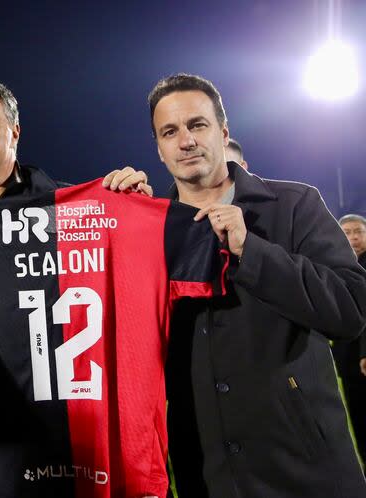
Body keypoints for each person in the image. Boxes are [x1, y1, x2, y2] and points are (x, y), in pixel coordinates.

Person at [0, 80, 155, 497]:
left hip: (57, 433)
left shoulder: (71, 211)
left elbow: (129, 275)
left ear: (14, 131)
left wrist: (131, 211)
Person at [148, 73, 366, 497]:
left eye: (197, 125)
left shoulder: (295, 203)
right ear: (158, 148)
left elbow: (351, 310)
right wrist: (119, 211)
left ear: (223, 132)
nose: (186, 141)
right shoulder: (149, 229)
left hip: (305, 469)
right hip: (208, 472)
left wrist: (253, 252)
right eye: (170, 132)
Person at [332, 213, 366, 468]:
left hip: (363, 354)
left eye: (358, 232)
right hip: (348, 358)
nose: (353, 237)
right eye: (346, 232)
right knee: (358, 416)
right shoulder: (337, 265)